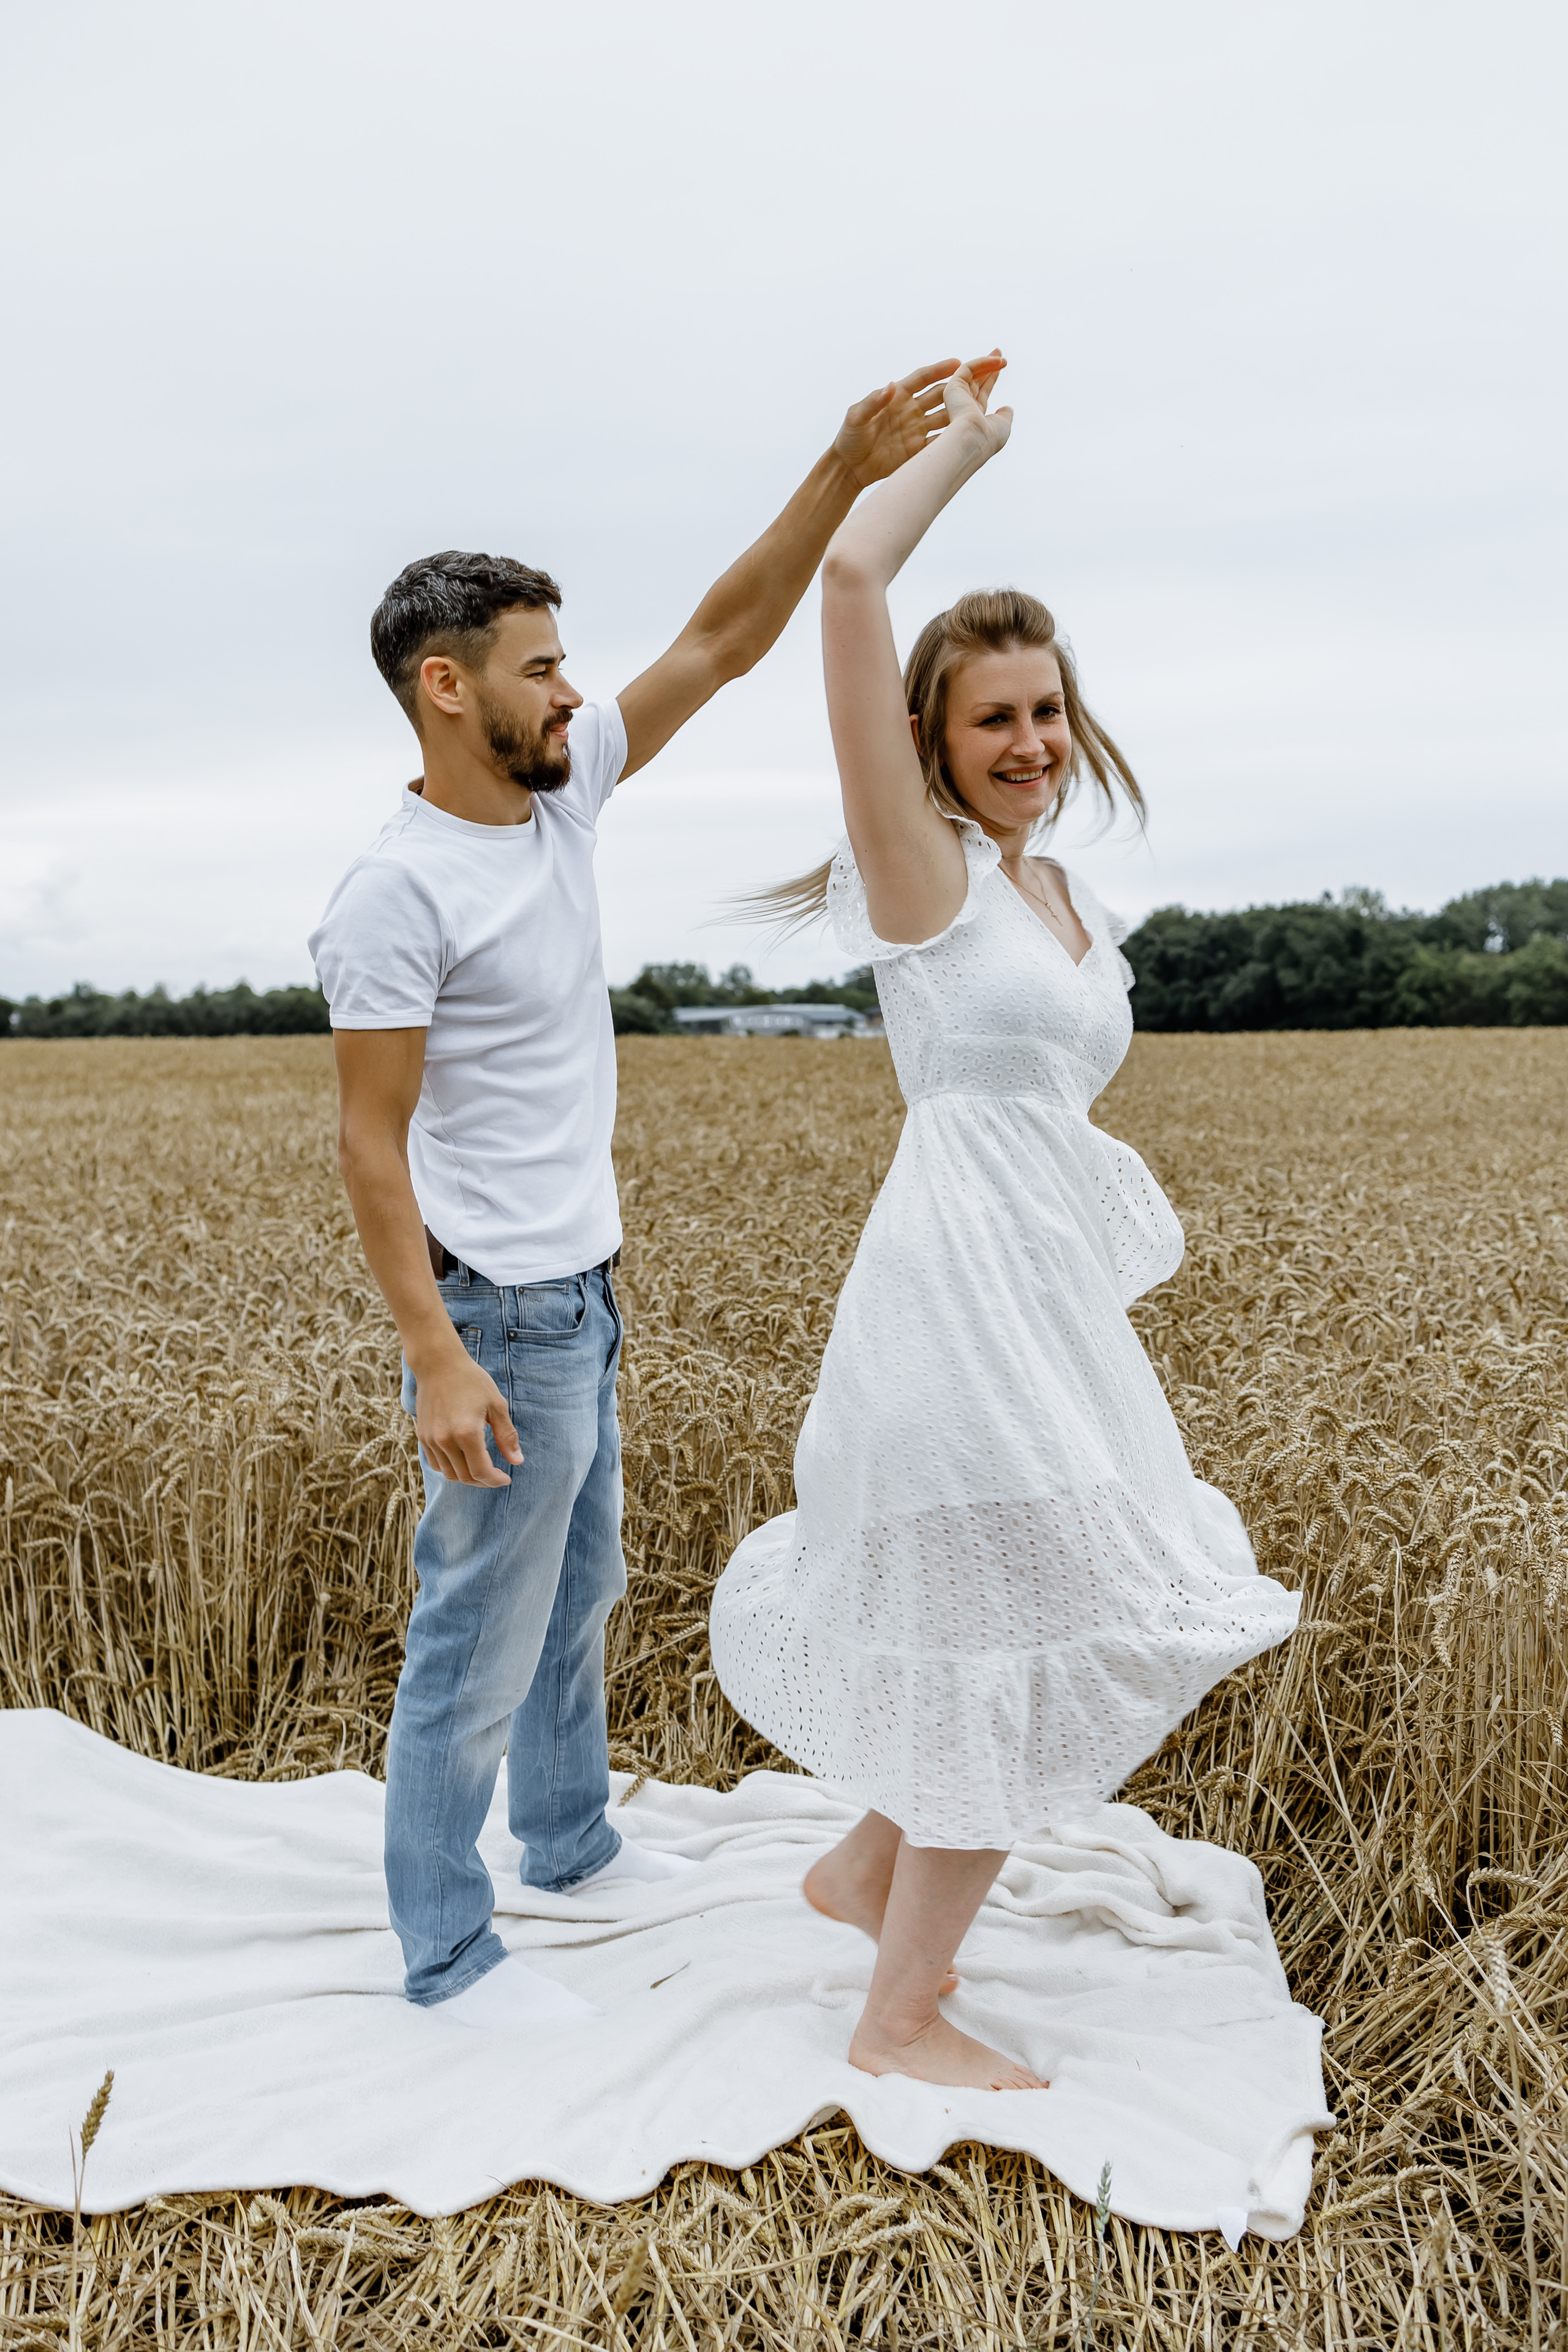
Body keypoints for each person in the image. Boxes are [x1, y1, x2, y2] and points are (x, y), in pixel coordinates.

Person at [310, 359, 959, 2029]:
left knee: (577, 1595)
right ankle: (448, 1953)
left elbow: (726, 637)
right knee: (473, 1637)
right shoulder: (394, 896)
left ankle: (571, 1843)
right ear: (446, 686)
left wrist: (842, 467)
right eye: (540, 669)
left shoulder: (562, 795)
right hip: (499, 1315)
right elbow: (371, 1142)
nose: (571, 692)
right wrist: (437, 1357)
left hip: (585, 1293)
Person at [708, 354, 1301, 2090]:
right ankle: (898, 2017)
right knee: (1020, 1619)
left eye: (1048, 709)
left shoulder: (1056, 886)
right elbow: (848, 581)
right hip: (953, 1302)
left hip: (1042, 1300)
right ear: (932, 743)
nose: (1031, 741)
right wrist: (955, 452)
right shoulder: (926, 875)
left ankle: (863, 1875)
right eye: (993, 720)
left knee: (1019, 1600)